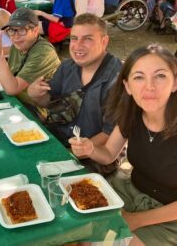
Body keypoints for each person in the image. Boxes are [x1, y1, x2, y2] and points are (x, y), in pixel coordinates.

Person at [69, 44, 177, 245]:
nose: (149, 86)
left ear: (174, 83)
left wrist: (136, 220)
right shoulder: (132, 114)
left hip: (169, 215)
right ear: (127, 86)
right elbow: (109, 153)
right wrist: (90, 149)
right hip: (129, 192)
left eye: (160, 76)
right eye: (139, 77)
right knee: (81, 231)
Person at [27, 13, 122, 151]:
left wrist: (72, 152)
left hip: (93, 154)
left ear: (104, 41)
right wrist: (36, 94)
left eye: (87, 39)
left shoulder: (117, 78)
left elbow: (110, 133)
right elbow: (48, 102)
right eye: (74, 38)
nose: (78, 46)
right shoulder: (67, 67)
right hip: (59, 139)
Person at [0, 8, 60, 104]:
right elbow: (10, 79)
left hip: (39, 112)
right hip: (20, 103)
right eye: (11, 30)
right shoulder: (17, 46)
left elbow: (12, 89)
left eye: (22, 30)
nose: (15, 36)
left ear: (35, 31)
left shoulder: (44, 52)